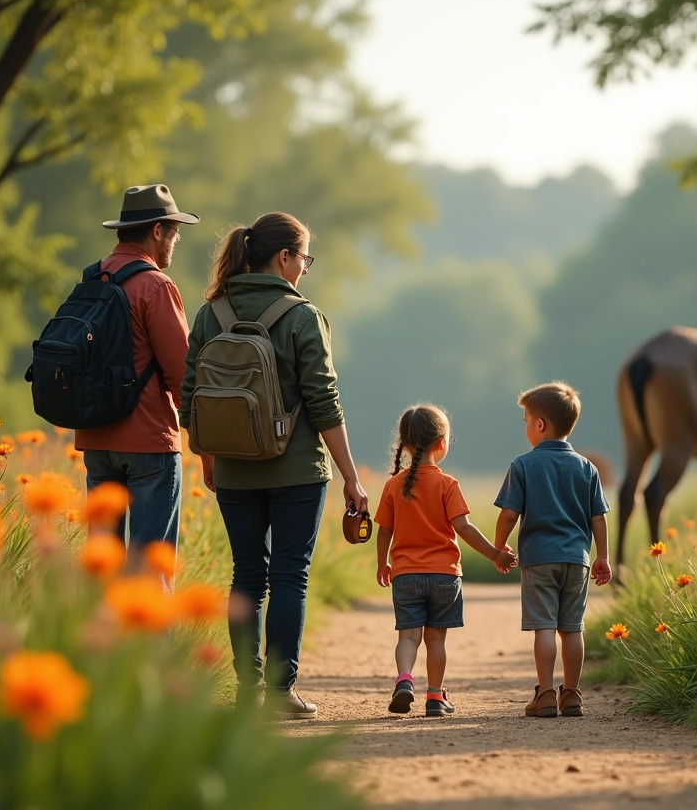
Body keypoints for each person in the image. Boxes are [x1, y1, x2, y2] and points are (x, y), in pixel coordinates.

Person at [181, 212, 368, 720]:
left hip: (235, 469)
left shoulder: (210, 313)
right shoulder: (303, 316)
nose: (305, 268)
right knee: (290, 575)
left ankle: (246, 691)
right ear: (283, 257)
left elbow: (190, 395)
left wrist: (207, 458)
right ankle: (280, 694)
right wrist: (351, 476)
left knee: (246, 574)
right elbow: (324, 402)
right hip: (297, 470)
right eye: (304, 257)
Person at [78, 184, 198, 572]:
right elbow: (183, 374)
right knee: (149, 570)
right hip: (149, 445)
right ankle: (145, 636)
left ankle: (100, 633)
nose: (176, 242)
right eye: (175, 232)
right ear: (158, 230)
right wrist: (204, 445)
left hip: (96, 438)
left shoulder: (91, 279)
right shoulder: (156, 286)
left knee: (104, 569)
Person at [374, 404, 517, 717]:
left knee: (408, 636)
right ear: (441, 443)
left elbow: (384, 531)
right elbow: (464, 528)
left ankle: (404, 680)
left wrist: (383, 563)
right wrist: (495, 553)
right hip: (444, 576)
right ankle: (435, 697)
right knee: (436, 640)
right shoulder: (447, 484)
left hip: (406, 575)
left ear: (405, 444)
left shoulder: (393, 485)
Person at [493, 382, 611, 718]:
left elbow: (509, 514)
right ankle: (572, 694)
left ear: (540, 425)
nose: (527, 427)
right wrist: (601, 556)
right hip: (578, 560)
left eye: (527, 420)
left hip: (539, 559)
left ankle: (545, 693)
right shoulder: (587, 467)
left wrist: (498, 547)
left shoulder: (524, 466)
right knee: (572, 628)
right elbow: (598, 519)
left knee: (544, 625)